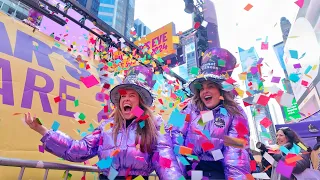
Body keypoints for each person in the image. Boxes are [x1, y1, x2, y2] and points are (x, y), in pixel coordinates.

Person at [24, 65, 183, 180]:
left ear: (141, 101)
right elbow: (80, 149)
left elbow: (165, 159)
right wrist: (44, 131)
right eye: (123, 95)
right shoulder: (107, 125)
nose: (126, 98)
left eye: (132, 95)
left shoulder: (155, 124)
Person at [171, 48, 251, 180]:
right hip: (190, 172)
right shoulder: (187, 107)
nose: (205, 91)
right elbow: (174, 138)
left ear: (222, 89)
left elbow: (236, 156)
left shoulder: (236, 113)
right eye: (201, 88)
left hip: (217, 174)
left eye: (210, 86)